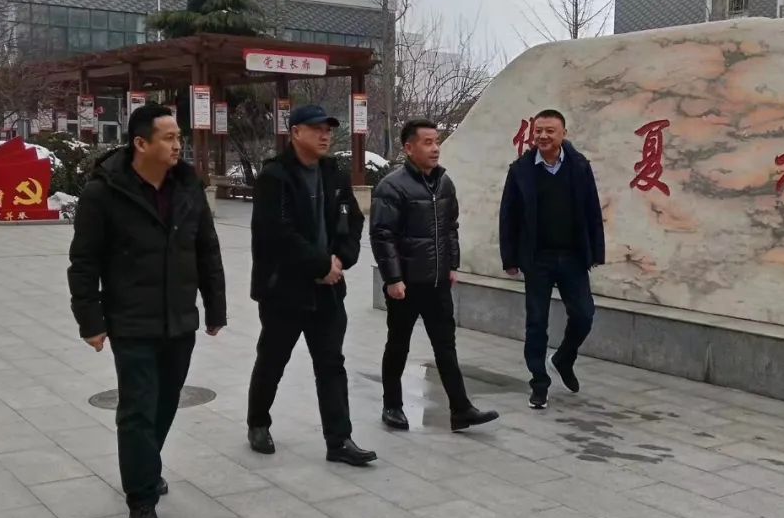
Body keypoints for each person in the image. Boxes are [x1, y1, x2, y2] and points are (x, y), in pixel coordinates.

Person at [67, 103, 226, 518]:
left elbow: (207, 249)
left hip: (180, 320)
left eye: (179, 137)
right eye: (169, 138)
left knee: (166, 401)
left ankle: (146, 465)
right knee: (137, 408)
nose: (178, 145)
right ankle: (141, 499)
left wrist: (215, 308)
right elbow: (84, 262)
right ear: (141, 143)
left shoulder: (188, 186)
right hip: (131, 321)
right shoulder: (104, 192)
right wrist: (91, 321)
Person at [247, 104, 376, 467]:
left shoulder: (333, 174)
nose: (325, 135)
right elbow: (278, 233)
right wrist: (320, 265)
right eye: (317, 128)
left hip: (328, 290)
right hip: (284, 290)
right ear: (296, 132)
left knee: (331, 364)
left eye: (329, 130)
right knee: (273, 360)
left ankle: (339, 440)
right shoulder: (275, 176)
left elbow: (353, 220)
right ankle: (258, 422)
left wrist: (340, 260)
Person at [370, 118, 499, 432]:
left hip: (438, 282)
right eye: (427, 142)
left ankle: (461, 409)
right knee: (398, 344)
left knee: (446, 347)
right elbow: (382, 235)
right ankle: (392, 406)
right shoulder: (392, 186)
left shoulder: (444, 183)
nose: (435, 148)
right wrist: (393, 279)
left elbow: (451, 228)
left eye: (437, 141)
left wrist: (452, 265)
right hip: (407, 284)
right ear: (409, 147)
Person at [498, 108, 605, 409]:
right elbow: (508, 216)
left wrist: (596, 251)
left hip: (572, 256)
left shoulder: (579, 166)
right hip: (537, 258)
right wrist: (510, 258)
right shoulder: (520, 170)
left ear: (563, 134)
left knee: (584, 315)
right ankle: (539, 383)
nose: (543, 136)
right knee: (536, 323)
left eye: (550, 131)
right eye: (539, 131)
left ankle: (564, 357)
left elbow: (592, 211)